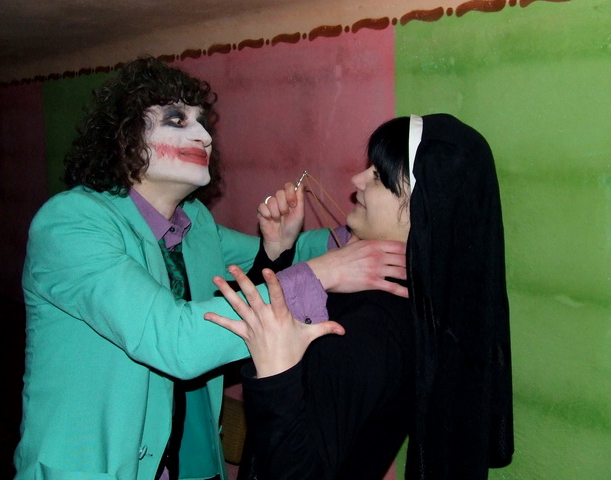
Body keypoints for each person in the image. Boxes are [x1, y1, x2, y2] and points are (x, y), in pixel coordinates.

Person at [13, 56, 410, 480]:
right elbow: (174, 341)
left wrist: (366, 230)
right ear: (124, 136)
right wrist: (325, 272)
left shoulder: (195, 223)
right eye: (177, 120)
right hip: (99, 468)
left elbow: (283, 251)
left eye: (202, 123)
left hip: (193, 461)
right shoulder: (70, 224)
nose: (203, 137)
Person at [204, 114, 514, 479]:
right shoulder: (383, 295)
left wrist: (276, 375)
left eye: (379, 176)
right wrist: (277, 253)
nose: (357, 181)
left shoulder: (374, 325)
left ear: (426, 209)